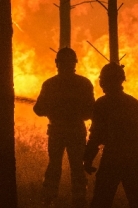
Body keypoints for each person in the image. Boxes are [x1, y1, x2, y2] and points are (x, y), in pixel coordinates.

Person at [83, 63, 138, 208]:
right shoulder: (133, 103)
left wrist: (88, 158)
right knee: (135, 201)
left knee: (101, 201)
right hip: (132, 157)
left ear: (103, 81)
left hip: (112, 159)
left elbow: (96, 136)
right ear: (121, 80)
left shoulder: (102, 104)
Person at [34, 47, 95, 208]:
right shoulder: (84, 83)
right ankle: (79, 200)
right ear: (75, 63)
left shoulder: (50, 84)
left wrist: (54, 108)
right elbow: (89, 112)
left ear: (56, 63)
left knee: (54, 165)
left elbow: (38, 110)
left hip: (57, 131)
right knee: (77, 166)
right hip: (75, 130)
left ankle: (48, 199)